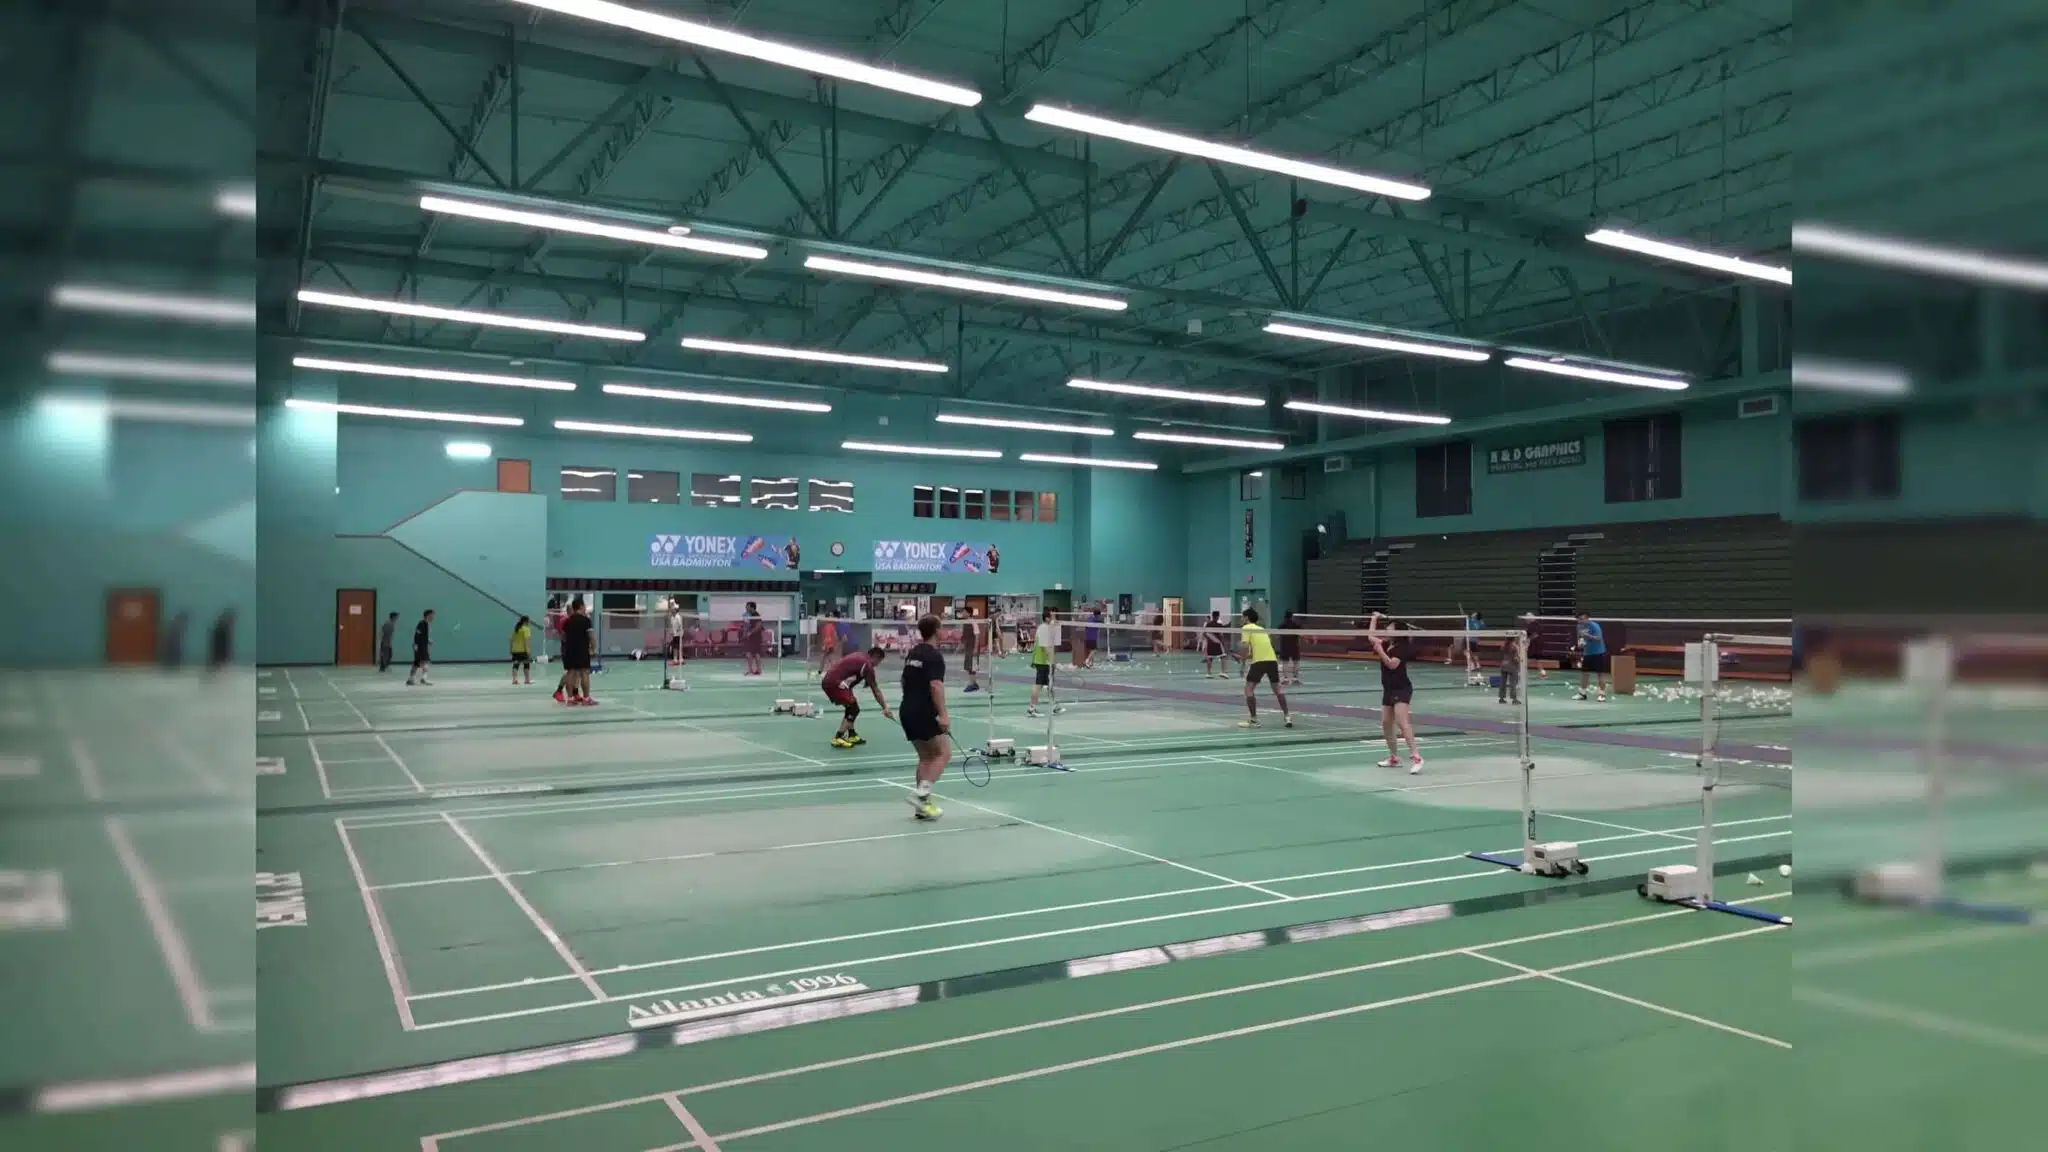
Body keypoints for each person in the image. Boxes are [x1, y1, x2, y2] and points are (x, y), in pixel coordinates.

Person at [900, 614, 953, 821]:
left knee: (925, 757)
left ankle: (922, 807)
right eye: (942, 627)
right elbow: (936, 685)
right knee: (943, 753)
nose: (944, 631)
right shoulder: (934, 656)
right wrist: (943, 715)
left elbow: (903, 680)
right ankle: (921, 796)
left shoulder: (913, 653)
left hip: (907, 709)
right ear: (936, 631)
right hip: (924, 712)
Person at [1366, 613, 1423, 774]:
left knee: (1402, 722)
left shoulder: (1401, 648)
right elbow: (1370, 637)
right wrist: (1374, 618)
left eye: (1389, 628)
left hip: (1401, 688)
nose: (1386, 630)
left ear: (1397, 632)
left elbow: (1392, 665)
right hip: (1388, 688)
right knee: (1386, 723)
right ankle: (1394, 758)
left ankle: (1417, 757)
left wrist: (1380, 651)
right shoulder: (1386, 644)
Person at [824, 646, 892, 748]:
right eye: (879, 662)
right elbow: (875, 690)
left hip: (834, 681)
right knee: (853, 709)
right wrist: (885, 708)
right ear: (876, 657)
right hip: (835, 683)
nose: (877, 665)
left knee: (851, 704)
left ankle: (852, 735)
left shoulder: (860, 656)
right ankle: (838, 737)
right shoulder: (867, 665)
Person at [1236, 607, 1292, 729]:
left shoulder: (1246, 628)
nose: (1241, 619)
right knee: (1278, 690)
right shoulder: (1262, 629)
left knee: (1248, 689)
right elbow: (1261, 646)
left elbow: (1245, 647)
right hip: (1272, 660)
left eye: (1242, 617)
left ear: (1247, 618)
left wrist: (1242, 665)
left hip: (1259, 661)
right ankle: (1287, 716)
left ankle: (1254, 720)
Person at [554, 599, 595, 705]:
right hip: (582, 650)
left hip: (570, 650)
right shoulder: (586, 620)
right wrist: (593, 649)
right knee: (584, 672)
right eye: (584, 606)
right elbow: (591, 636)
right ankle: (586, 699)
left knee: (571, 672)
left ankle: (570, 699)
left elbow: (563, 637)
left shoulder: (567, 621)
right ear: (581, 606)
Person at [1026, 608, 1062, 718]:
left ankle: (1054, 706)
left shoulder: (1048, 628)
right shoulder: (1044, 629)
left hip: (1044, 661)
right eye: (1053, 616)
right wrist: (1053, 662)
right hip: (1042, 661)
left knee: (1049, 684)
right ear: (1047, 618)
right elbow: (1045, 647)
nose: (1055, 618)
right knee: (1039, 685)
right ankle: (1031, 709)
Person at [1574, 611, 1609, 702]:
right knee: (1584, 674)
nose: (1580, 621)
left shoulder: (1594, 626)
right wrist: (1580, 644)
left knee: (1600, 674)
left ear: (1587, 618)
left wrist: (1587, 635)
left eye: (1581, 619)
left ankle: (1602, 695)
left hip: (1598, 653)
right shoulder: (1579, 626)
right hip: (1587, 653)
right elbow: (1580, 638)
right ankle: (1582, 694)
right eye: (1578, 619)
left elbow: (1598, 638)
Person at [405, 609, 434, 686]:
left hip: (421, 646)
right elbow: (417, 634)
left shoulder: (425, 624)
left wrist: (428, 640)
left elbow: (422, 635)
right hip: (421, 647)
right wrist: (416, 644)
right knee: (426, 661)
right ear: (428, 615)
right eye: (432, 615)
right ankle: (424, 678)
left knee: (417, 663)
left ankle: (411, 679)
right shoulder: (422, 623)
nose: (433, 617)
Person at [959, 613, 985, 694]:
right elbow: (964, 636)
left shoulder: (973, 622)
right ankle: (974, 683)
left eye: (964, 612)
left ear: (968, 613)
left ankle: (972, 684)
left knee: (972, 665)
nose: (962, 613)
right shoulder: (965, 623)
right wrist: (959, 646)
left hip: (973, 646)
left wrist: (975, 648)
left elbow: (977, 635)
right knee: (968, 665)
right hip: (968, 646)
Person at [1498, 627, 1524, 706]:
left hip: (1503, 665)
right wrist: (1520, 661)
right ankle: (1514, 699)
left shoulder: (1503, 645)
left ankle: (1501, 698)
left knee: (1502, 682)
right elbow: (1515, 658)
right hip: (1512, 666)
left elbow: (1501, 656)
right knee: (1513, 683)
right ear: (1514, 637)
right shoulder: (1514, 646)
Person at [1277, 611, 1303, 686]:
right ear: (1292, 616)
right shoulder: (1296, 624)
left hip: (1285, 646)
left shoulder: (1282, 625)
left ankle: (1285, 679)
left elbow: (1277, 634)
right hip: (1294, 646)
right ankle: (1295, 679)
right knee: (1296, 662)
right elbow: (1301, 634)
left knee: (1285, 663)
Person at [741, 602, 766, 677]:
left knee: (757, 654)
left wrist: (750, 633)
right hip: (749, 638)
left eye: (747, 606)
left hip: (756, 638)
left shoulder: (756, 615)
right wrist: (745, 633)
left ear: (752, 607)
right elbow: (746, 625)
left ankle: (759, 670)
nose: (746, 608)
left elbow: (758, 626)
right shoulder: (748, 615)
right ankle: (750, 670)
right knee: (748, 653)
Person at [1199, 610, 1227, 678]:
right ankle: (1223, 672)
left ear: (1212, 616)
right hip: (1218, 644)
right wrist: (1223, 643)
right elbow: (1221, 635)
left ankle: (1208, 673)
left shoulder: (1208, 624)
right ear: (1218, 617)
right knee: (1223, 656)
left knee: (1210, 658)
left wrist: (1209, 639)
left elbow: (1204, 634)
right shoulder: (1219, 625)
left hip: (1210, 644)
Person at [1464, 610, 1487, 687]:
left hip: (1470, 639)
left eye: (1474, 614)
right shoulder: (1479, 622)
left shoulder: (1471, 621)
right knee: (1474, 654)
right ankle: (1477, 665)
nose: (1473, 614)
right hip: (1475, 640)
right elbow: (1483, 626)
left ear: (1476, 616)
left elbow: (1467, 624)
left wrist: (1465, 618)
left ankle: (1471, 665)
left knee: (1466, 652)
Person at [510, 615, 534, 685]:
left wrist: (510, 650)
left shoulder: (516, 629)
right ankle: (527, 680)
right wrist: (528, 651)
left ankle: (514, 680)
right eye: (529, 621)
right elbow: (526, 641)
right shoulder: (526, 629)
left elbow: (511, 640)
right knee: (526, 665)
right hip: (523, 650)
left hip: (515, 650)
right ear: (525, 622)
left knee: (515, 665)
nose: (529, 623)